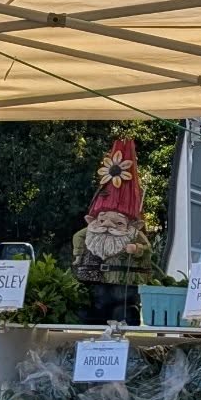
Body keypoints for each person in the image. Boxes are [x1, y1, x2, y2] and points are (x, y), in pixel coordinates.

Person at [71, 136, 155, 324]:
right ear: (92, 220)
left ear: (133, 225)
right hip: (94, 285)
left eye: (117, 223)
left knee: (124, 313)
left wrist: (138, 250)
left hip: (123, 288)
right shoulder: (91, 233)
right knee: (91, 312)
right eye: (102, 220)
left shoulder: (134, 235)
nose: (107, 225)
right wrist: (78, 255)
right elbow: (78, 236)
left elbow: (148, 250)